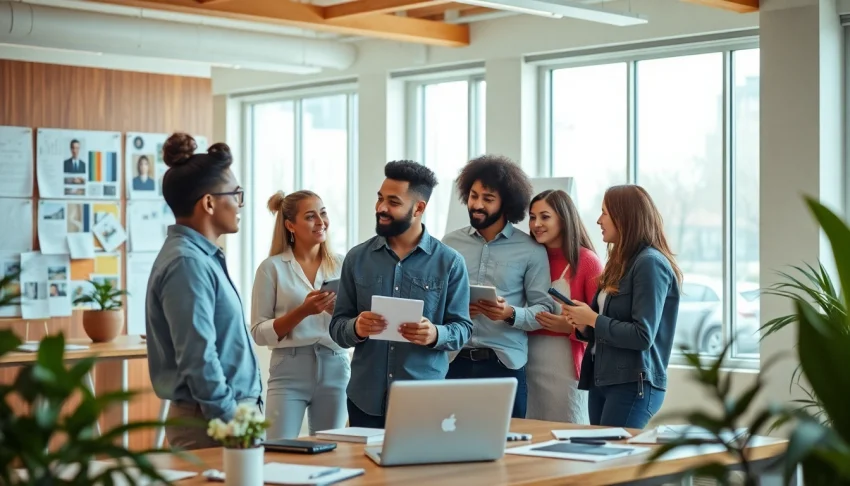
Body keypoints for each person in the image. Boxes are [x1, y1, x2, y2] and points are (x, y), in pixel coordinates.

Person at [329, 160, 473, 428]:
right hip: (365, 399)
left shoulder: (450, 263)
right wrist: (356, 327)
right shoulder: (357, 258)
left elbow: (463, 328)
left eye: (393, 202)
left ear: (419, 208)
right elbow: (337, 327)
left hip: (423, 402)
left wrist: (435, 334)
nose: (381, 208)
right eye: (380, 198)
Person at [145, 132, 262, 450]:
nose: (239, 203)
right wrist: (232, 419)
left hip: (220, 417)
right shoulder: (187, 262)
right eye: (235, 193)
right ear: (209, 203)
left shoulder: (198, 256)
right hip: (212, 424)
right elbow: (198, 358)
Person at [442, 155, 554, 419]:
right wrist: (454, 309)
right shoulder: (449, 243)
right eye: (473, 195)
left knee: (507, 448)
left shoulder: (530, 249)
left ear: (507, 203)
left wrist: (510, 314)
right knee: (449, 448)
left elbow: (546, 308)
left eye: (488, 199)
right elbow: (434, 298)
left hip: (504, 366)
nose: (477, 205)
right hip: (453, 362)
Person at [562, 185, 681, 429]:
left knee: (614, 459)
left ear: (624, 217)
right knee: (599, 458)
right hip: (603, 380)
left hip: (632, 384)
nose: (598, 220)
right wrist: (584, 323)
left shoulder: (650, 264)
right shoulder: (619, 263)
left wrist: (593, 319)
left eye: (604, 213)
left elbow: (642, 335)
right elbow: (602, 327)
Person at [251, 190, 349, 439]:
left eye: (323, 213)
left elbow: (356, 322)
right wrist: (303, 312)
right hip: (289, 371)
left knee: (331, 453)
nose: (320, 221)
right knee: (277, 451)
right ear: (290, 225)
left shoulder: (343, 265)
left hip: (335, 365)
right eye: (310, 216)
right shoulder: (271, 268)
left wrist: (337, 311)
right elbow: (258, 333)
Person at [527, 189, 603, 424]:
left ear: (564, 218)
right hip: (525, 359)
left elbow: (601, 325)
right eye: (532, 217)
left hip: (565, 366)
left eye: (545, 216)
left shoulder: (587, 261)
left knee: (565, 431)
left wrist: (569, 328)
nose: (536, 224)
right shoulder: (527, 257)